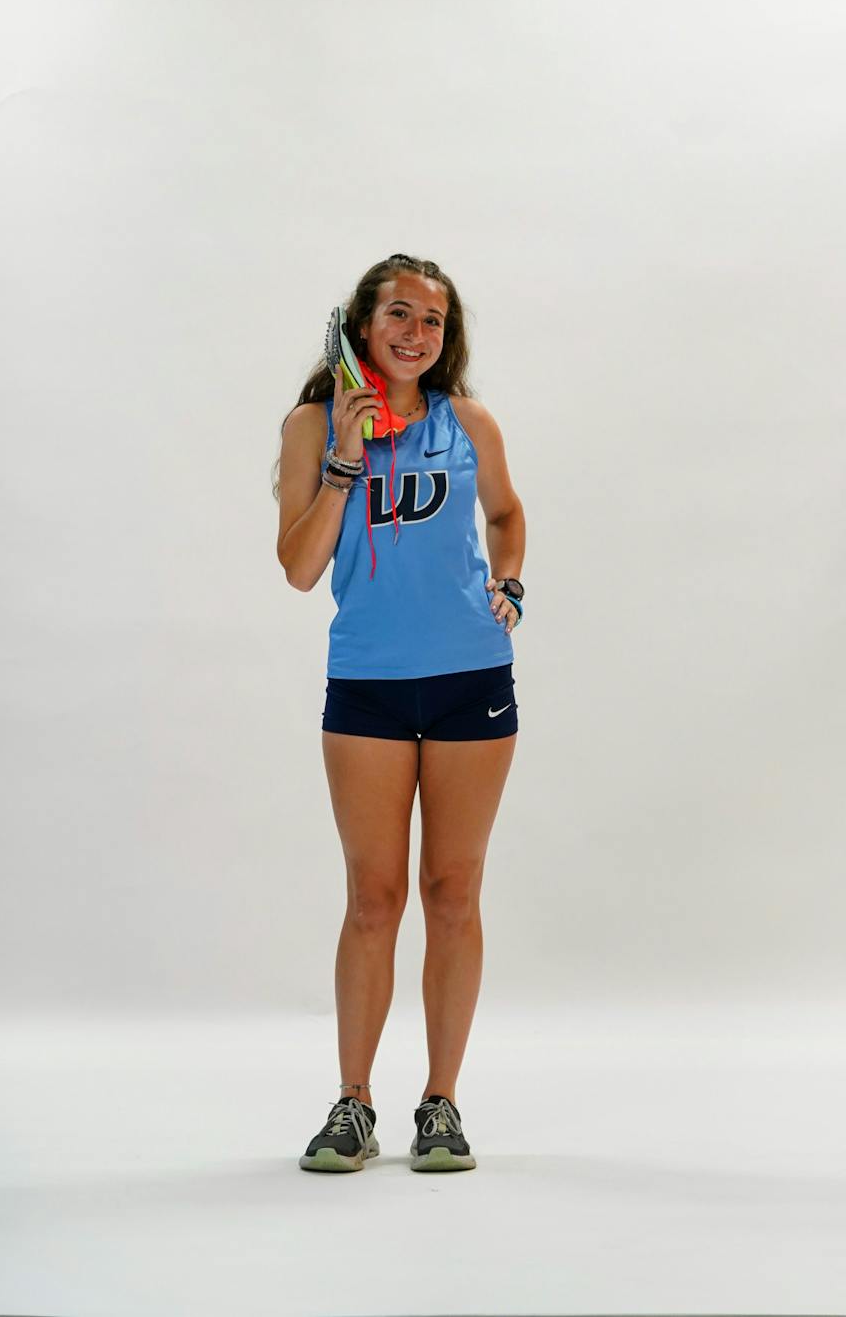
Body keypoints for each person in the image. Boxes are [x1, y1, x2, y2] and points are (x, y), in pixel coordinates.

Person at [273, 253, 525, 1172]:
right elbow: (300, 569)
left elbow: (507, 515)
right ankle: (354, 1103)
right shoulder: (312, 425)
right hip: (370, 687)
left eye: (433, 320)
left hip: (470, 678)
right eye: (399, 314)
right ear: (360, 324)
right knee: (373, 898)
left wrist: (510, 585)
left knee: (453, 893)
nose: (416, 333)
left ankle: (441, 1103)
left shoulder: (469, 422)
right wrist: (345, 458)